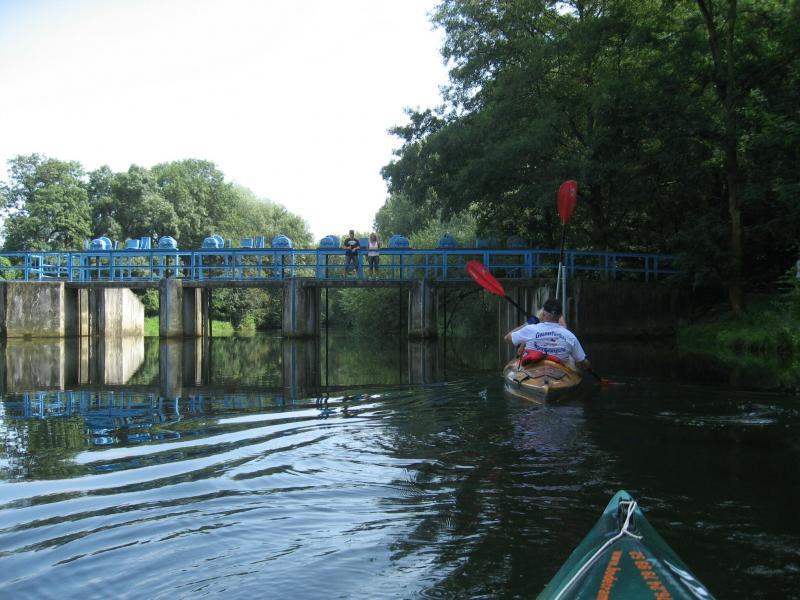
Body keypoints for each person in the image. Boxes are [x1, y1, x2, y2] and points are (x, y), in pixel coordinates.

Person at [504, 298, 590, 370]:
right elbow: (582, 362)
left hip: (533, 371)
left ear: (543, 313)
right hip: (559, 372)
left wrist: (528, 323)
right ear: (560, 315)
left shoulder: (530, 329)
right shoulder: (570, 336)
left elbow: (507, 338)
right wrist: (586, 365)